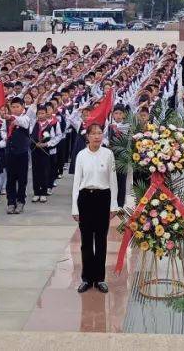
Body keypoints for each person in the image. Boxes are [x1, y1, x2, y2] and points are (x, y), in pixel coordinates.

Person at [71, 122, 119, 293]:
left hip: (102, 198)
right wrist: (74, 208)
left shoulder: (108, 154)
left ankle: (99, 278)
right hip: (85, 199)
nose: (97, 136)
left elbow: (113, 180)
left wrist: (114, 205)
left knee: (100, 240)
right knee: (86, 241)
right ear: (88, 136)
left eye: (100, 133)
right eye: (94, 133)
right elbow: (77, 182)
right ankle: (86, 278)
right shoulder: (81, 155)